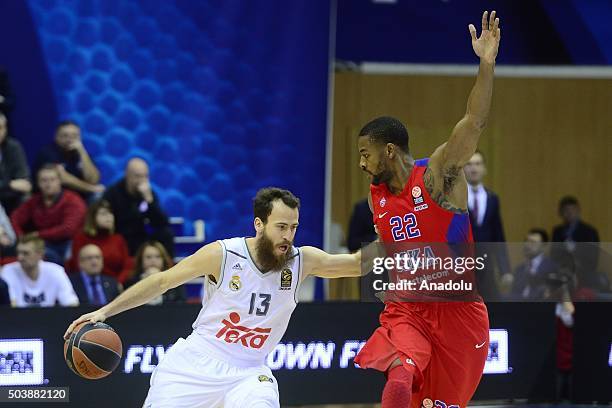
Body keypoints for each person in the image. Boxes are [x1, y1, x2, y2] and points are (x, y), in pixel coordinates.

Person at [65, 187, 372, 408]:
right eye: (281, 227)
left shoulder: (303, 260)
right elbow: (162, 281)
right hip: (196, 362)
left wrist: (404, 233)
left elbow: (359, 264)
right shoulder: (223, 254)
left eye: (293, 227)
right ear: (259, 224)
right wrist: (105, 311)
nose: (288, 236)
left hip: (250, 371)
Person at [353, 11, 500, 408]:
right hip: (409, 308)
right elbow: (390, 247)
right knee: (400, 376)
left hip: (457, 311)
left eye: (366, 154)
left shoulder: (438, 174)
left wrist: (486, 65)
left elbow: (475, 121)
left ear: (389, 151)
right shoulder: (375, 197)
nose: (362, 164)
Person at [10, 164, 86, 264]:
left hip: (69, 242)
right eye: (44, 180)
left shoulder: (73, 200)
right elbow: (15, 217)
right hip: (44, 242)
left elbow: (68, 229)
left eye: (52, 180)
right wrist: (20, 236)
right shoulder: (35, 201)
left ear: (60, 181)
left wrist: (38, 234)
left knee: (51, 255)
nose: (48, 184)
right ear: (38, 183)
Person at [463, 150, 511, 298]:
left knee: (490, 306)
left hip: (487, 266)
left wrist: (505, 270)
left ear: (484, 168)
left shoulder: (492, 199)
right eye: (469, 164)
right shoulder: (456, 198)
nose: (474, 168)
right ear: (463, 169)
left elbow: (498, 235)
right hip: (463, 266)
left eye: (477, 164)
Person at [103, 158, 174, 256]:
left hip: (141, 237)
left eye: (145, 176)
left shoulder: (148, 193)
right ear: (127, 175)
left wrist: (149, 201)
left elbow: (162, 222)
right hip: (120, 235)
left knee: (166, 234)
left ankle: (168, 268)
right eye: (138, 176)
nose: (142, 180)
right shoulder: (112, 193)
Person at [65, 199, 133, 284]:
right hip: (88, 286)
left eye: (111, 213)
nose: (109, 217)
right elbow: (77, 266)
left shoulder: (118, 239)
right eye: (103, 214)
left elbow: (127, 266)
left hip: (115, 286)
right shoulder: (81, 238)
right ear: (92, 217)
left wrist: (117, 283)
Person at [0, 235, 79, 307]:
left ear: (40, 254)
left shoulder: (55, 271)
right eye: (18, 253)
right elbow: (11, 306)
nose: (20, 258)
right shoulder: (8, 271)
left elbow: (71, 304)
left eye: (25, 253)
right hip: (17, 320)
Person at [35, 120, 104, 199]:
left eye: (74, 136)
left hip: (80, 196)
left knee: (97, 197)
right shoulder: (48, 153)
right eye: (65, 136)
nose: (69, 139)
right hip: (57, 196)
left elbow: (93, 180)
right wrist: (90, 189)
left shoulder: (81, 153)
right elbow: (63, 178)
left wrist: (82, 151)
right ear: (56, 137)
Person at [126, 241, 184, 305]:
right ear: (141, 260)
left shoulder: (175, 282)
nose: (153, 260)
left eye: (157, 256)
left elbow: (180, 305)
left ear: (163, 259)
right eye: (148, 257)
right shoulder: (131, 282)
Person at [511, 229, 557, 300]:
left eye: (533, 242)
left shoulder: (552, 267)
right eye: (526, 241)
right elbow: (514, 293)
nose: (527, 245)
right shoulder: (519, 269)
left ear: (543, 246)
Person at [0, 112, 31, 214]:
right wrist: (9, 184)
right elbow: (16, 183)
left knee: (26, 198)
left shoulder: (13, 147)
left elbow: (24, 181)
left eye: (1, 128)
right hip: (7, 191)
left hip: (11, 196)